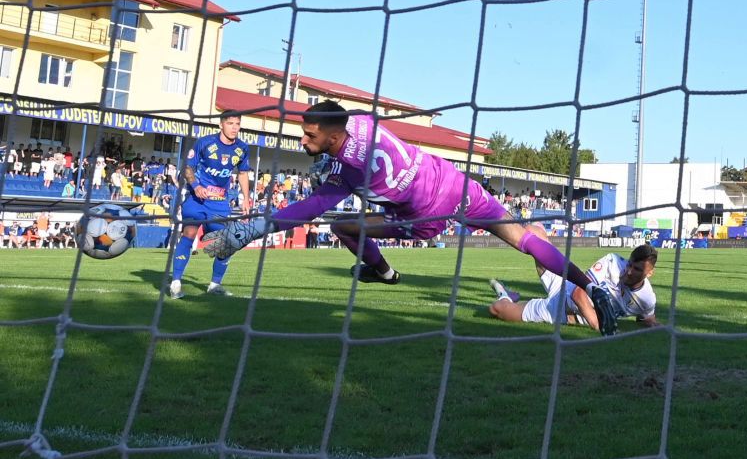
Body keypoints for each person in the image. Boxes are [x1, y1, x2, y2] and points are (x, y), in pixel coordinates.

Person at [200, 101, 622, 333]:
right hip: (456, 183)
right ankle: (591, 287)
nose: (303, 140)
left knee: (341, 226)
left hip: (424, 213)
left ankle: (384, 273)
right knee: (525, 239)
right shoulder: (361, 122)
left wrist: (251, 230)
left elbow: (306, 209)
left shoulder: (348, 171)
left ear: (333, 136)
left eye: (310, 135)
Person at [488, 241, 658, 334]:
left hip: (558, 311)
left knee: (496, 310)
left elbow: (647, 319)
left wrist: (662, 328)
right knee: (535, 235)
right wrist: (599, 326)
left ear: (649, 273)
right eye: (629, 264)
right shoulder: (612, 262)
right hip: (567, 285)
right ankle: (508, 295)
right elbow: (579, 293)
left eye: (637, 269)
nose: (628, 271)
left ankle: (504, 295)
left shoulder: (647, 299)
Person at [169, 111, 252, 299]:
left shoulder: (242, 148)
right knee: (189, 233)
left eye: (237, 124)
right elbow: (187, 167)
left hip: (220, 202)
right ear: (221, 125)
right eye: (230, 123)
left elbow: (243, 173)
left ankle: (215, 285)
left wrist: (246, 198)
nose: (234, 128)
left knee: (228, 243)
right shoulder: (205, 143)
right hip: (197, 199)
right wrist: (196, 186)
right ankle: (175, 283)